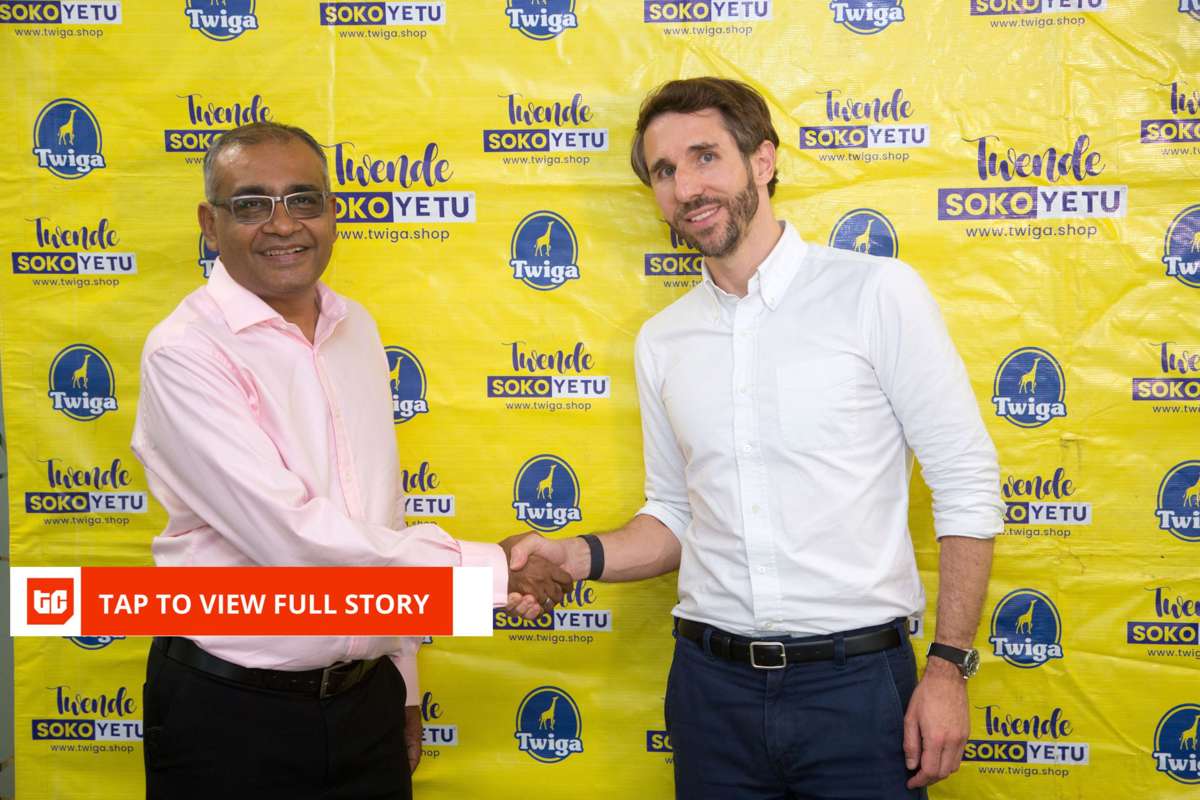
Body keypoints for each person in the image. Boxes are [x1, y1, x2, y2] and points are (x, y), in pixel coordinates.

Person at [508, 78, 1003, 799]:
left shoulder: (875, 293)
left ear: (763, 161)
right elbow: (674, 514)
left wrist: (948, 668)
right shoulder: (663, 341)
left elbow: (965, 480)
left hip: (859, 693)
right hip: (711, 696)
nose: (686, 187)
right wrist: (573, 557)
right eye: (665, 171)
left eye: (705, 156)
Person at [131, 121, 570, 800]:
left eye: (303, 199)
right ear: (210, 225)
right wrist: (491, 570)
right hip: (232, 714)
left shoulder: (354, 326)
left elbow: (376, 516)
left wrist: (403, 680)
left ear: (333, 214)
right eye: (251, 204)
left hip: (366, 701)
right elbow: (290, 537)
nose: (283, 224)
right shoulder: (185, 352)